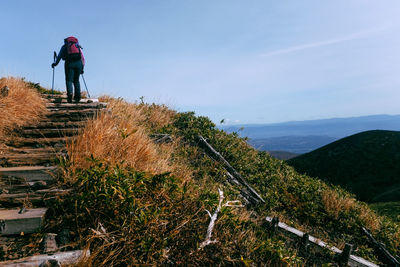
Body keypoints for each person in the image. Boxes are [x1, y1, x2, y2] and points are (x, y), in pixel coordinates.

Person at [52, 36, 85, 103]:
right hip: (78, 63)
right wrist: (82, 68)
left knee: (69, 80)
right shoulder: (77, 46)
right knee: (76, 80)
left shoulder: (64, 46)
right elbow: (83, 58)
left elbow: (59, 57)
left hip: (69, 63)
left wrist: (55, 64)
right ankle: (77, 97)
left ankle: (70, 94)